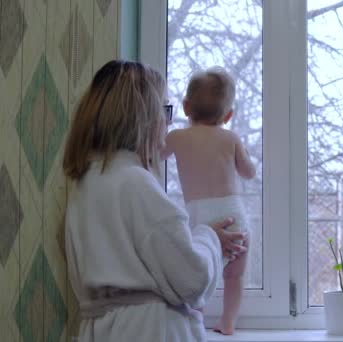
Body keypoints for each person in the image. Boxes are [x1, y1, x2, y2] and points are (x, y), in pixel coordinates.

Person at [62, 60, 247, 342]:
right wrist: (209, 238)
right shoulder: (136, 184)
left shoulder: (86, 184)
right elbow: (192, 280)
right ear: (143, 116)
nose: (168, 121)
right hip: (150, 331)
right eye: (165, 109)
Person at [162, 67, 255, 335]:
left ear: (186, 106)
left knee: (198, 275)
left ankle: (196, 323)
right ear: (228, 115)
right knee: (234, 275)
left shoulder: (177, 137)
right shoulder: (230, 138)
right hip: (232, 213)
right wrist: (243, 156)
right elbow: (248, 172)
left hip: (201, 217)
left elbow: (152, 156)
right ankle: (228, 322)